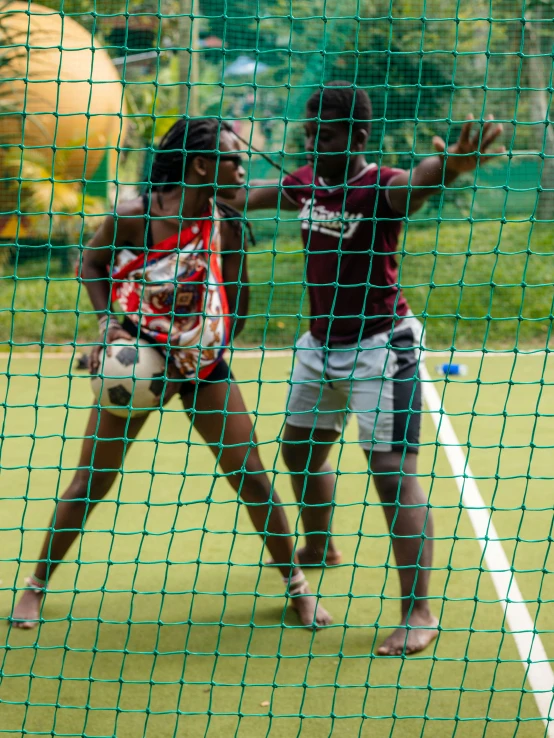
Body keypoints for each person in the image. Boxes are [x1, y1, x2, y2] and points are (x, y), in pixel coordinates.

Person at [11, 118, 332, 631]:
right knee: (91, 480)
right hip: (136, 363)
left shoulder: (225, 222)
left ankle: (297, 586)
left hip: (202, 368)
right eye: (233, 157)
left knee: (251, 476)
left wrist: (218, 336)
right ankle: (35, 587)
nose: (241, 165)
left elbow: (237, 289)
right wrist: (107, 327)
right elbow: (91, 264)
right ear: (202, 165)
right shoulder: (133, 218)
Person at [226, 82, 504, 655]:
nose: (311, 141)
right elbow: (248, 195)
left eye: (323, 134)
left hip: (382, 348)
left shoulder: (379, 187)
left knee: (391, 473)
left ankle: (418, 612)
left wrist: (451, 166)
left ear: (357, 136)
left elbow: (420, 183)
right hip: (320, 344)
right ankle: (321, 542)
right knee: (299, 451)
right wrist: (203, 188)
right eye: (307, 132)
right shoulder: (305, 185)